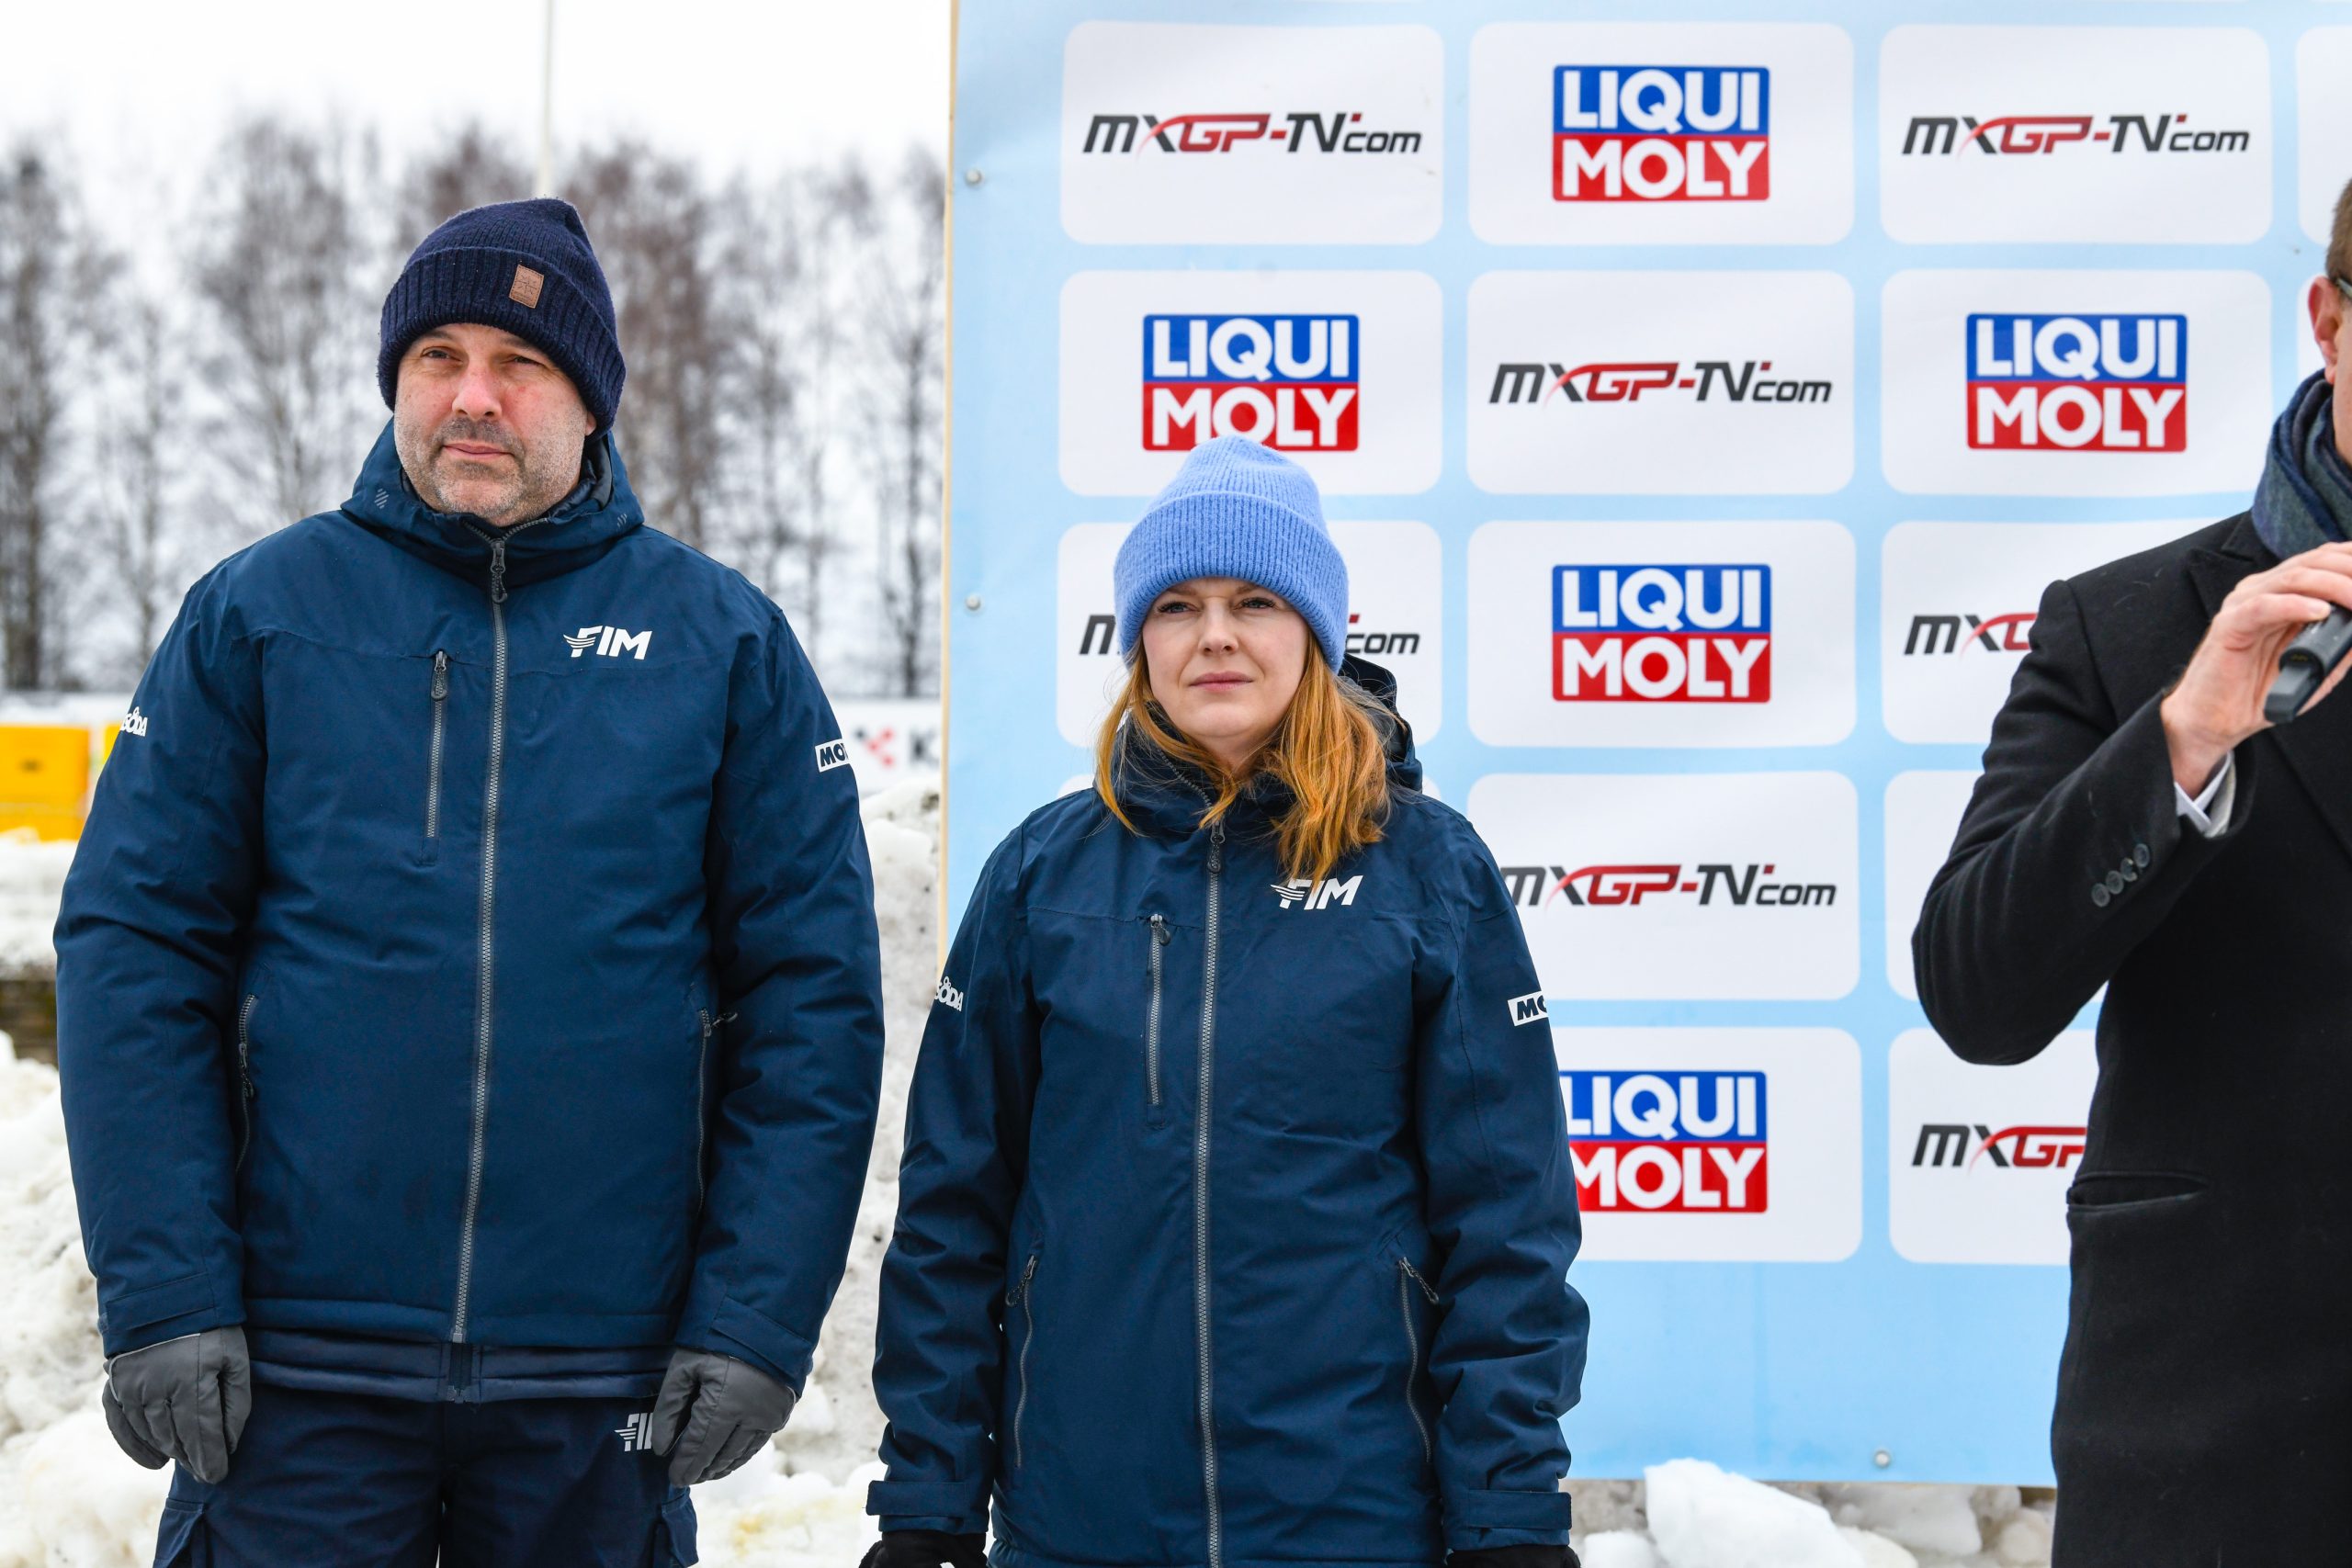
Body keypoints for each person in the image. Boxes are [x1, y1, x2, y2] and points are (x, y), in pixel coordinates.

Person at [52, 197, 886, 1566]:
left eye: (522, 364)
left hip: (600, 1378)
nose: (474, 397)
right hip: (293, 1370)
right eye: (437, 357)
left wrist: (753, 1318)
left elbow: (813, 1002)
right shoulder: (258, 615)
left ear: (592, 401)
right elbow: (135, 953)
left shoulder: (722, 644)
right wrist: (166, 1290)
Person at [860, 436, 1589, 1568]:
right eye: (1176, 606)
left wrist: (1508, 1519)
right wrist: (928, 1502)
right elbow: (955, 1212)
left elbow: (1505, 1223)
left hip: (1351, 1522)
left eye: (1255, 601)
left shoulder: (1428, 873)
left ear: (1314, 632)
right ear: (1138, 641)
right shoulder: (1042, 876)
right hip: (1080, 1524)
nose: (1214, 636)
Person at [1911, 182, 2352, 1565]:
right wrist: (2180, 740)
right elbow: (1978, 995)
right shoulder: (2131, 626)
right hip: (2229, 1432)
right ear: (2329, 320)